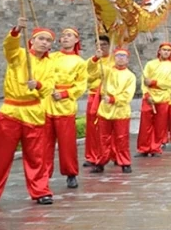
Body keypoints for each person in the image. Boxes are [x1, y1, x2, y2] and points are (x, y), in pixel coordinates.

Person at [0, 20, 55, 207]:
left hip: (34, 112)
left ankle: (41, 191)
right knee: (1, 156)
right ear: (32, 41)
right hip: (11, 111)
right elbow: (9, 47)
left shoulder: (50, 64)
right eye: (41, 39)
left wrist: (37, 85)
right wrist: (16, 31)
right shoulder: (19, 55)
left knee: (36, 157)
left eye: (48, 40)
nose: (44, 43)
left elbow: (49, 86)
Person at [43, 27, 88, 189]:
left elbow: (81, 85)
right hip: (47, 102)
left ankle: (71, 173)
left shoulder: (80, 62)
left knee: (67, 143)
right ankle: (43, 175)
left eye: (69, 36)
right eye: (63, 36)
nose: (66, 38)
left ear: (76, 40)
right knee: (44, 144)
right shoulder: (50, 57)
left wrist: (64, 94)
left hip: (65, 105)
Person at [92, 49, 136, 174]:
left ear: (127, 59)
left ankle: (125, 162)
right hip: (105, 110)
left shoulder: (130, 76)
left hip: (121, 111)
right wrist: (96, 58)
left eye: (123, 56)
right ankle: (100, 162)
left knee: (122, 138)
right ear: (114, 58)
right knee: (102, 138)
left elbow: (128, 95)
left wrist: (113, 99)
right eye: (118, 56)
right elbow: (92, 71)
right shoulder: (107, 70)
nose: (120, 58)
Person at [137, 42, 171, 156]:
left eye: (168, 50)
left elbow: (169, 83)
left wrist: (154, 82)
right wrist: (146, 94)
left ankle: (155, 147)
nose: (166, 52)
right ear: (159, 51)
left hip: (163, 97)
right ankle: (143, 148)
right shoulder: (150, 64)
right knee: (145, 124)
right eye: (164, 50)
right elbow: (144, 80)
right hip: (149, 97)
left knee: (160, 125)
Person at [83, 35, 113, 169]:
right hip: (93, 94)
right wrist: (97, 66)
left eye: (104, 45)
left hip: (108, 96)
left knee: (109, 127)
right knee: (92, 127)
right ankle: (92, 155)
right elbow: (87, 77)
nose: (101, 47)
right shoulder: (91, 61)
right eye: (98, 45)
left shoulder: (114, 60)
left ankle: (112, 154)